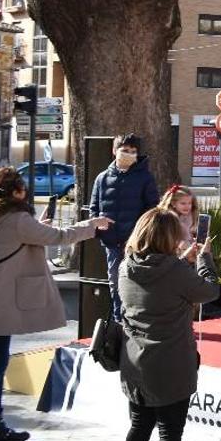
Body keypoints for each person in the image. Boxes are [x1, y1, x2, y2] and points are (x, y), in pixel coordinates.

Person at [0, 167, 108, 441]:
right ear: (15, 192)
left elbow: (21, 238)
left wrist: (38, 227)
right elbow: (60, 236)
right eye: (22, 188)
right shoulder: (15, 219)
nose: (26, 192)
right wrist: (92, 225)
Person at [118, 207, 217, 441]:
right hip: (171, 363)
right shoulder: (175, 270)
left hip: (135, 361)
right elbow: (208, 290)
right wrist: (204, 259)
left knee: (139, 425)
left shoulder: (126, 266)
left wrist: (182, 262)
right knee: (169, 433)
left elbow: (160, 284)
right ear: (167, 238)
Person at [90, 134, 161, 321]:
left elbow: (152, 209)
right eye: (125, 150)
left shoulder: (145, 178)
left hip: (136, 243)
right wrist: (99, 228)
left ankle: (136, 322)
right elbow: (94, 208)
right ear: (114, 151)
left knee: (137, 283)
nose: (129, 154)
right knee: (114, 283)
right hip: (112, 241)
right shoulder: (102, 178)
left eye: (133, 151)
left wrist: (141, 235)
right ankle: (118, 321)